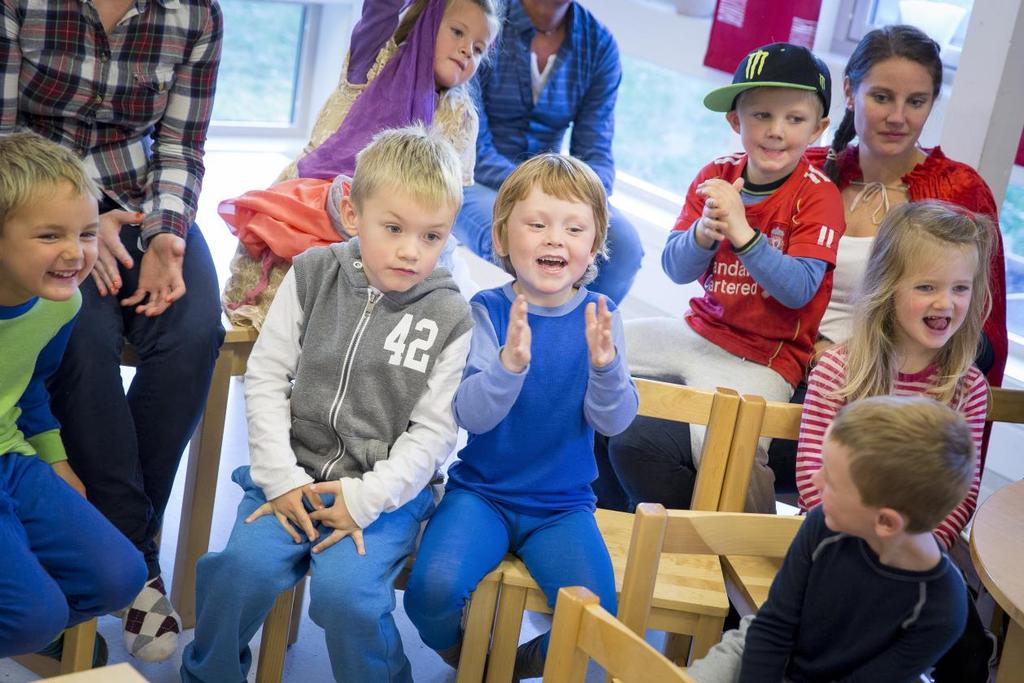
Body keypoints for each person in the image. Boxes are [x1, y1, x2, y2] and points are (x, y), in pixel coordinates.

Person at [181, 125, 474, 683]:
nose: (411, 250)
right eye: (393, 229)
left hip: (381, 496)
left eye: (432, 236)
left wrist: (365, 500)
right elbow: (266, 376)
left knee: (346, 598)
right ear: (352, 211)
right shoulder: (313, 274)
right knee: (238, 572)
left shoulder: (450, 316)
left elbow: (435, 434)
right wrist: (280, 478)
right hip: (290, 474)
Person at [1, 0, 225, 660]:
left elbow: (181, 144)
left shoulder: (197, 15)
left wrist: (166, 234)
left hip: (143, 199)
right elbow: (4, 132)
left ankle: (127, 547)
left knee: (192, 334)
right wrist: (79, 221)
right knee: (84, 336)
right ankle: (122, 555)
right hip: (37, 199)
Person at [404, 153, 639, 680]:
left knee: (599, 621)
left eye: (574, 228)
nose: (556, 239)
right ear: (503, 237)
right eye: (537, 224)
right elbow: (471, 416)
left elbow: (616, 422)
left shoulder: (602, 315)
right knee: (430, 593)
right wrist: (508, 369)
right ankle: (465, 658)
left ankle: (507, 666)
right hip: (480, 495)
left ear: (594, 244)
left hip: (563, 509)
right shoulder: (485, 309)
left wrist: (606, 368)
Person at [595, 43, 844, 514]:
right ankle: (603, 515)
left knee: (728, 456)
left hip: (763, 359)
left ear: (818, 128)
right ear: (736, 120)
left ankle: (741, 556)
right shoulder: (717, 174)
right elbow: (674, 268)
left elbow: (798, 291)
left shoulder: (818, 196)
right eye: (761, 115)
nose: (775, 131)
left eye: (794, 119)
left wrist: (745, 235)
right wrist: (703, 235)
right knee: (595, 350)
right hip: (699, 331)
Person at [795, 200, 994, 681]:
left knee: (964, 650)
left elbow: (961, 495)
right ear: (889, 288)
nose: (945, 303)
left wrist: (910, 551)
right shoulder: (839, 373)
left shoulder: (968, 388)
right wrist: (868, 548)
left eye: (959, 288)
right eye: (926, 287)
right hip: (834, 544)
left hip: (919, 555)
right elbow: (810, 479)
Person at [221, 0, 504, 330]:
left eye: (479, 48)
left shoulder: (462, 116)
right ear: (426, 21)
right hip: (320, 204)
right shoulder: (374, 63)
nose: (467, 50)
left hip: (400, 226)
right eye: (457, 32)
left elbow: (449, 196)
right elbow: (381, 8)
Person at [687, 395, 973, 682]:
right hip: (769, 651)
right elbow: (774, 626)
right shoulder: (821, 525)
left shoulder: (942, 608)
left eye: (832, 482)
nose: (816, 480)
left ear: (885, 522)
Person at [0, 132, 146, 662]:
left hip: (9, 460)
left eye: (87, 233)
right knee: (31, 619)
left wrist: (56, 461)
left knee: (119, 576)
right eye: (48, 235)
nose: (74, 252)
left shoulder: (60, 306)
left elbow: (30, 387)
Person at [452, 0, 643, 305]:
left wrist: (583, 196)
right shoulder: (485, 18)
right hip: (473, 177)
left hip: (553, 186)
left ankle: (578, 338)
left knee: (624, 246)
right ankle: (516, 336)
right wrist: (545, 190)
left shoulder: (598, 45)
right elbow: (473, 147)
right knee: (527, 238)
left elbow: (596, 152)